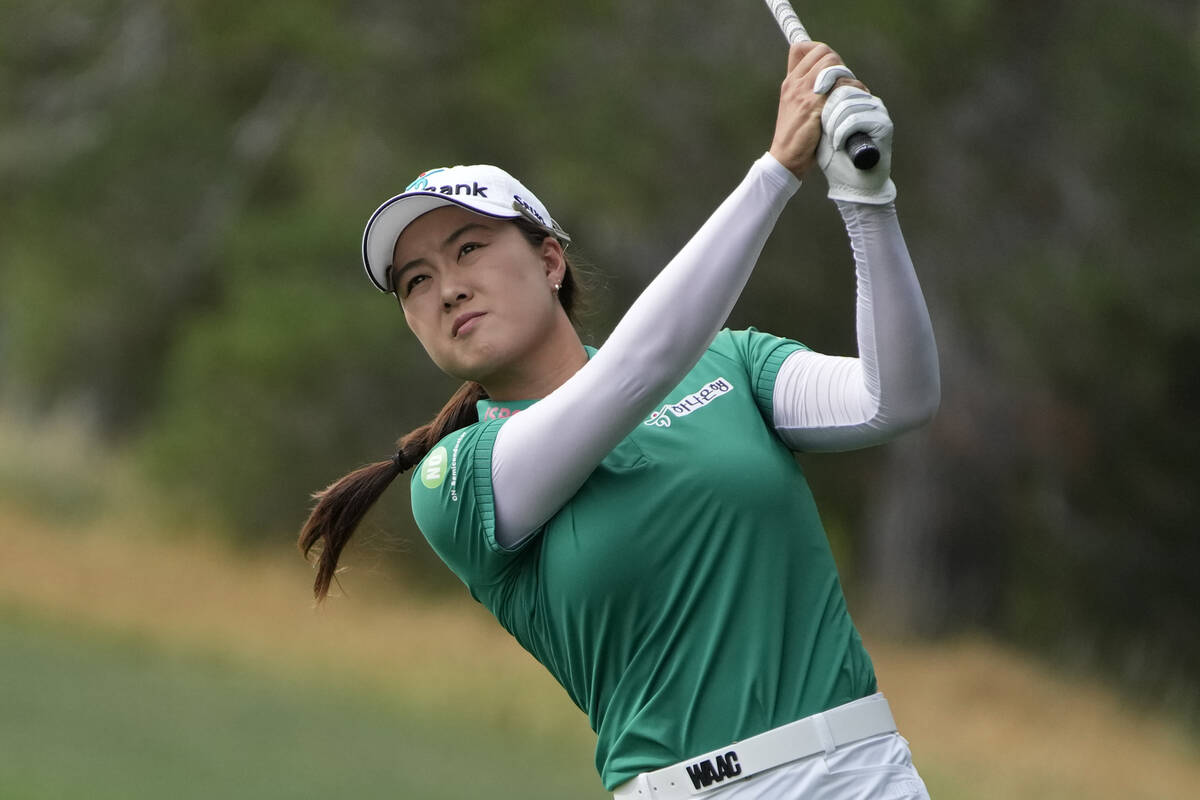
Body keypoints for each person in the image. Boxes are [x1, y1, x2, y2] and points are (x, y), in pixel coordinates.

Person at [299, 40, 939, 800]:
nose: (446, 290)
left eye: (468, 248)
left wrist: (867, 198)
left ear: (548, 262)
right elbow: (637, 371)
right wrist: (775, 173)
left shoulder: (731, 364)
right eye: (415, 282)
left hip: (867, 773)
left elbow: (893, 398)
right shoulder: (455, 477)